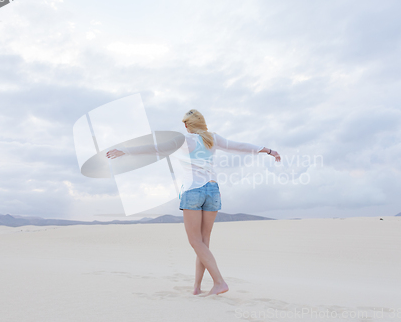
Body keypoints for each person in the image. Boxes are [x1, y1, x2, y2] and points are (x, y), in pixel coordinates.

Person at [107, 109, 281, 296]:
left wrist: (125, 150)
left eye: (185, 123)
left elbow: (156, 148)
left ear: (189, 124)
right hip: (213, 190)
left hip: (194, 191)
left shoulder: (184, 140)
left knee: (195, 241)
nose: (184, 126)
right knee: (203, 243)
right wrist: (268, 151)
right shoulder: (212, 138)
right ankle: (197, 288)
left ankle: (219, 282)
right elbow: (238, 146)